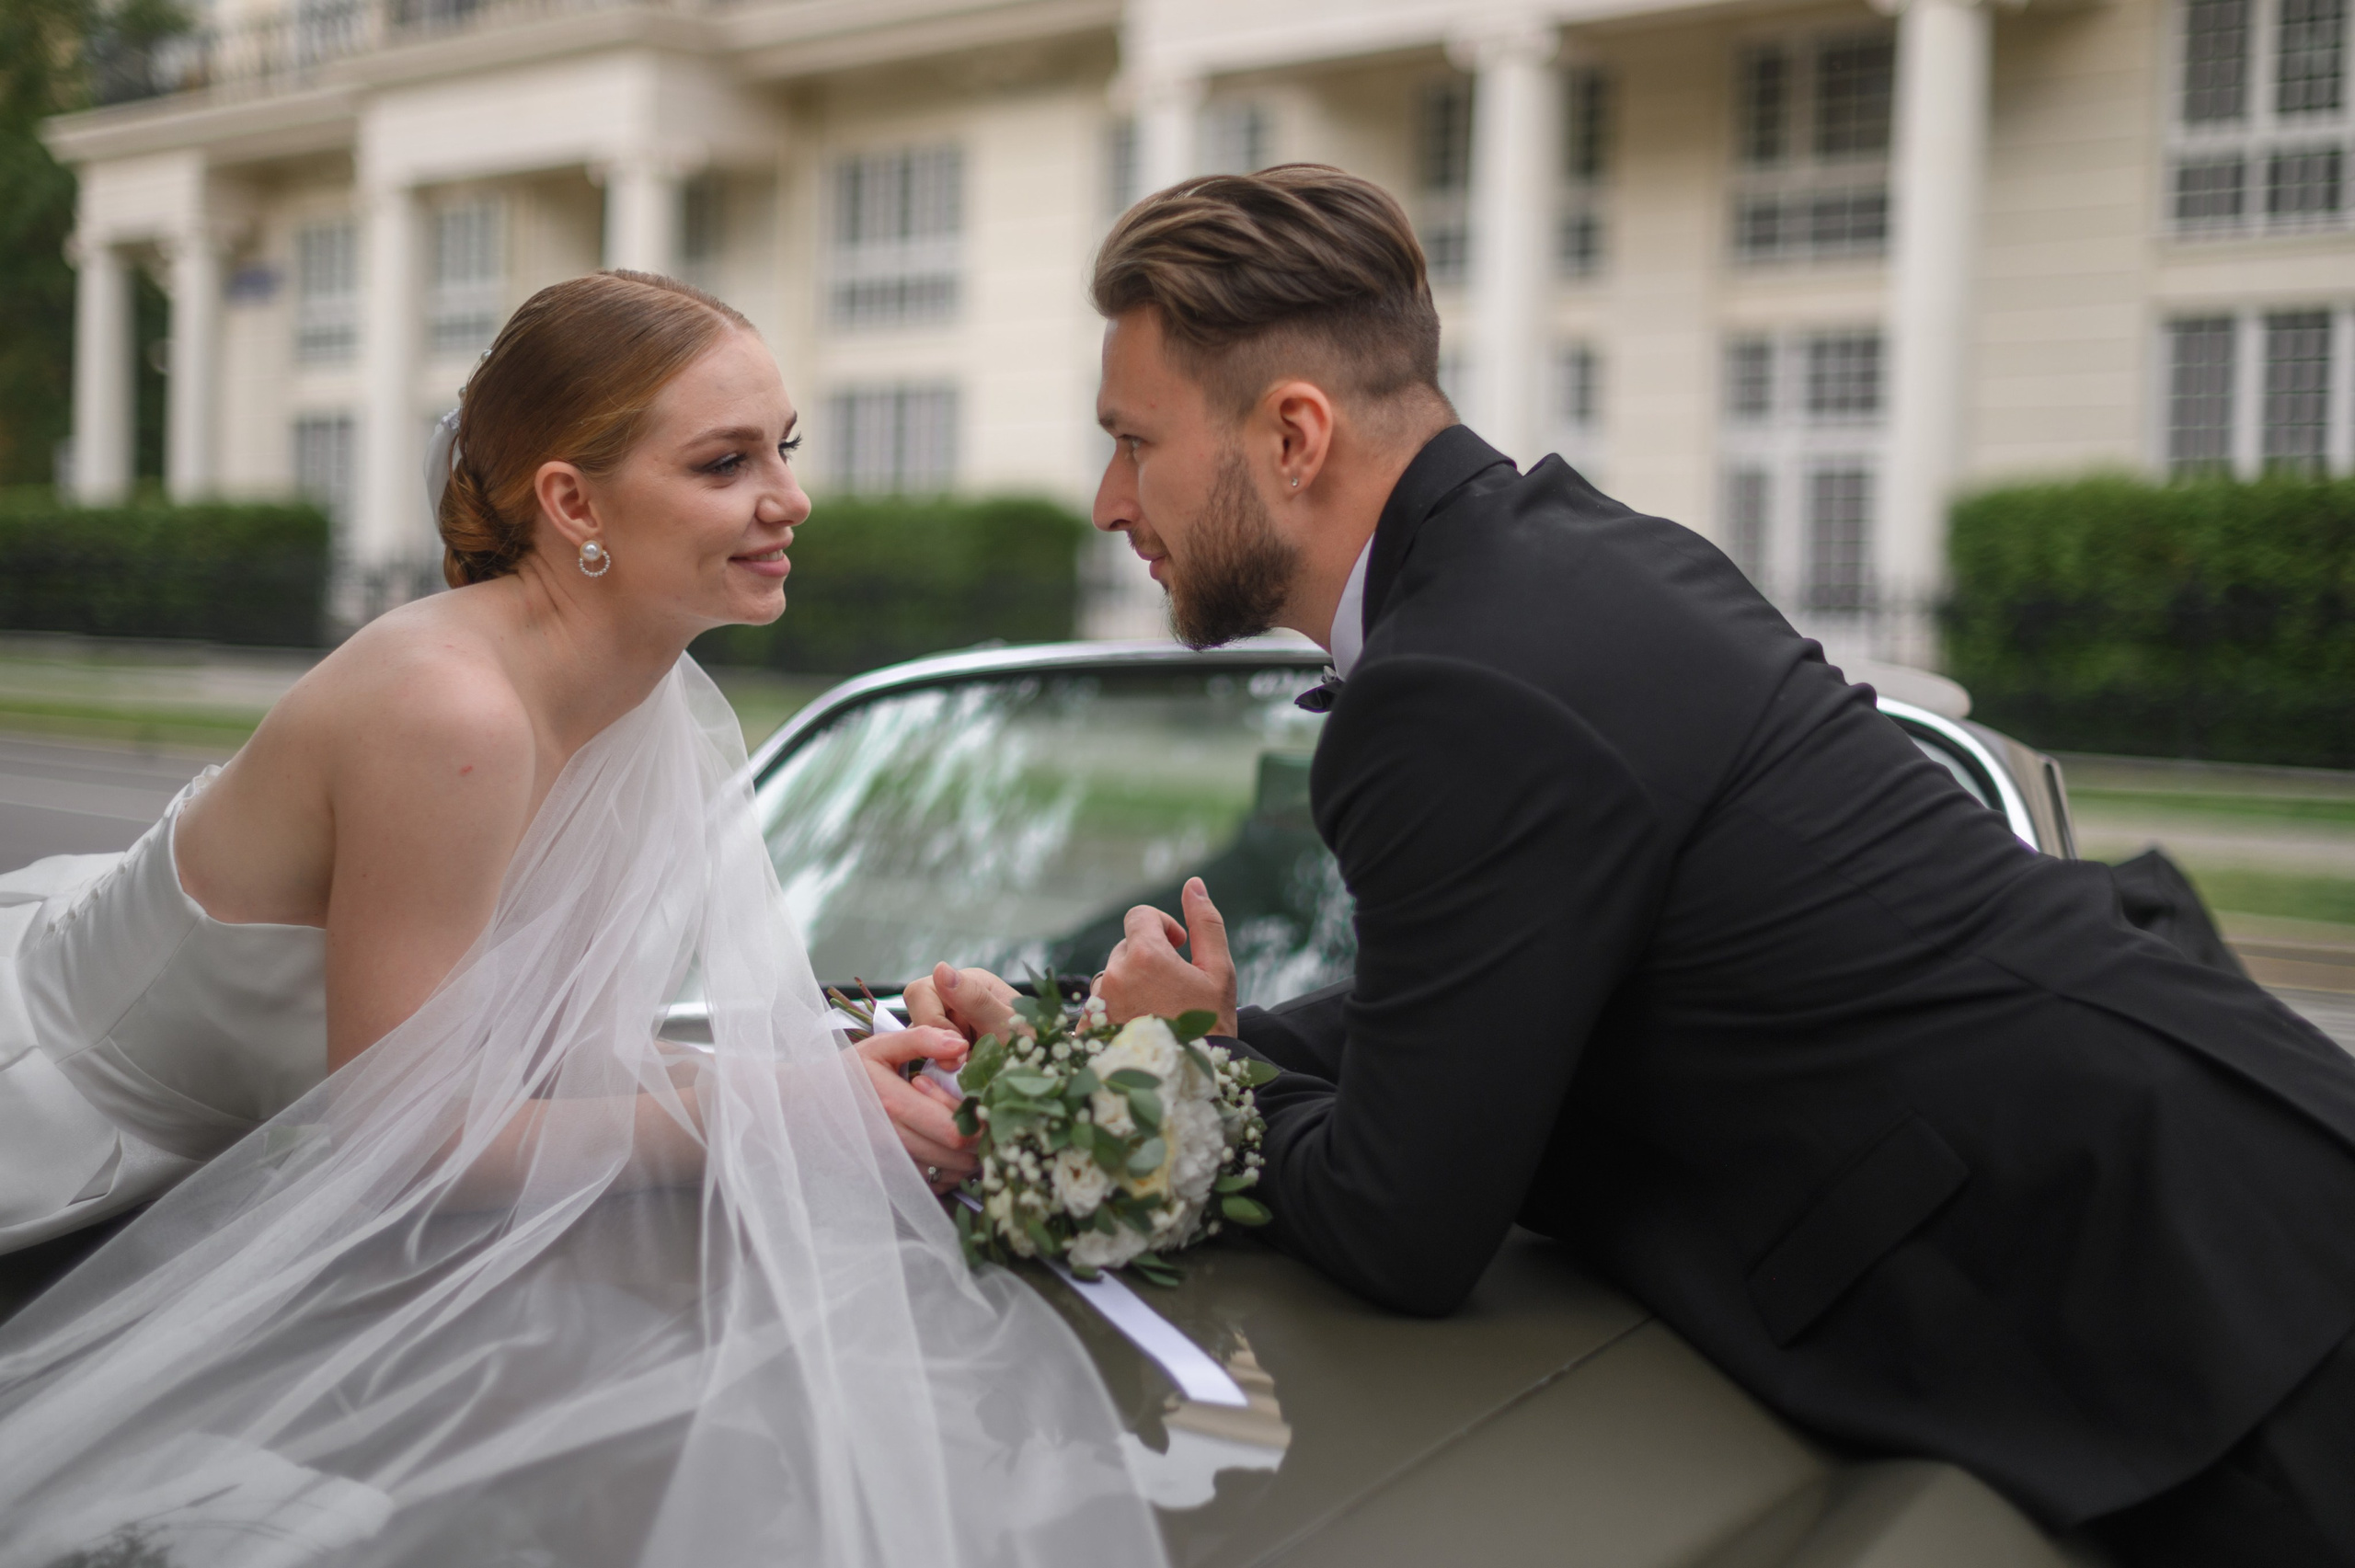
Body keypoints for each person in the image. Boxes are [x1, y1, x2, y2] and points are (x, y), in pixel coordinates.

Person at [909, 166, 2355, 1568]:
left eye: (1133, 440)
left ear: (1294, 435)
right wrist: (1100, 1042)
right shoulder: (1567, 560)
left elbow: (1397, 1224)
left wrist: (1194, 1072)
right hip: (2228, 1199)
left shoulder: (1452, 685)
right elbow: (1479, 995)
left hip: (2197, 1301)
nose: (1109, 499)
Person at [0, 270, 1162, 1567]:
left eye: (784, 447)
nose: (791, 498)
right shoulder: (452, 711)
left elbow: (541, 1058)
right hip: (67, 1143)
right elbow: (405, 1132)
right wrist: (750, 1109)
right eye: (725, 463)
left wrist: (812, 1082)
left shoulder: (646, 692)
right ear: (571, 502)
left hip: (242, 1165)